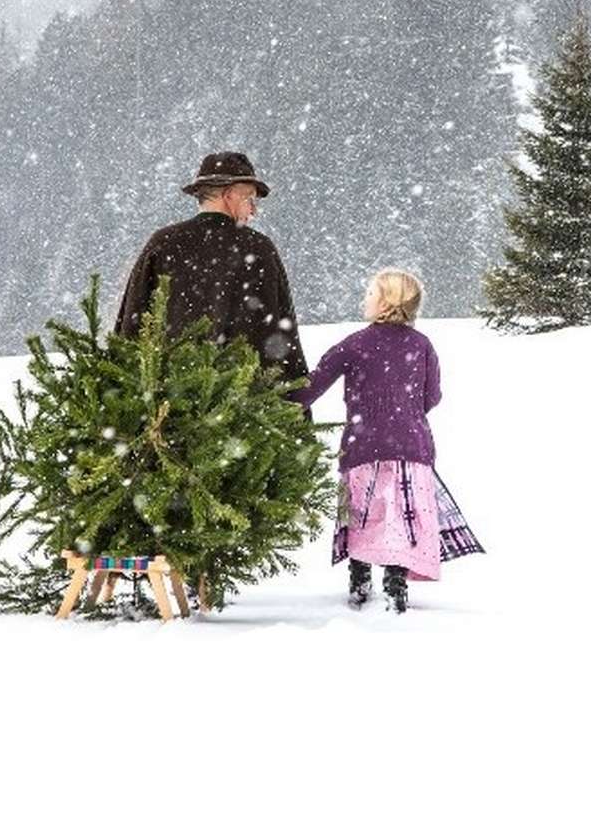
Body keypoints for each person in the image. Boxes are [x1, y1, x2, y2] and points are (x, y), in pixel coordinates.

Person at [294, 268, 483, 613]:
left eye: (370, 293)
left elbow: (311, 388)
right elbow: (433, 396)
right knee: (402, 515)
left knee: (364, 512)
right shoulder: (422, 345)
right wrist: (404, 412)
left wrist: (278, 401)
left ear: (386, 302)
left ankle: (359, 575)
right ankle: (396, 578)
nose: (365, 299)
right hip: (412, 447)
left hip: (363, 446)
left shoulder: (354, 344)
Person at [114, 152, 307, 387]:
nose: (253, 211)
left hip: (170, 401)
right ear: (229, 196)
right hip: (246, 404)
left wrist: (121, 390)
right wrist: (294, 403)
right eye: (250, 200)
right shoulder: (258, 248)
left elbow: (132, 321)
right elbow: (280, 334)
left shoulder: (163, 243)